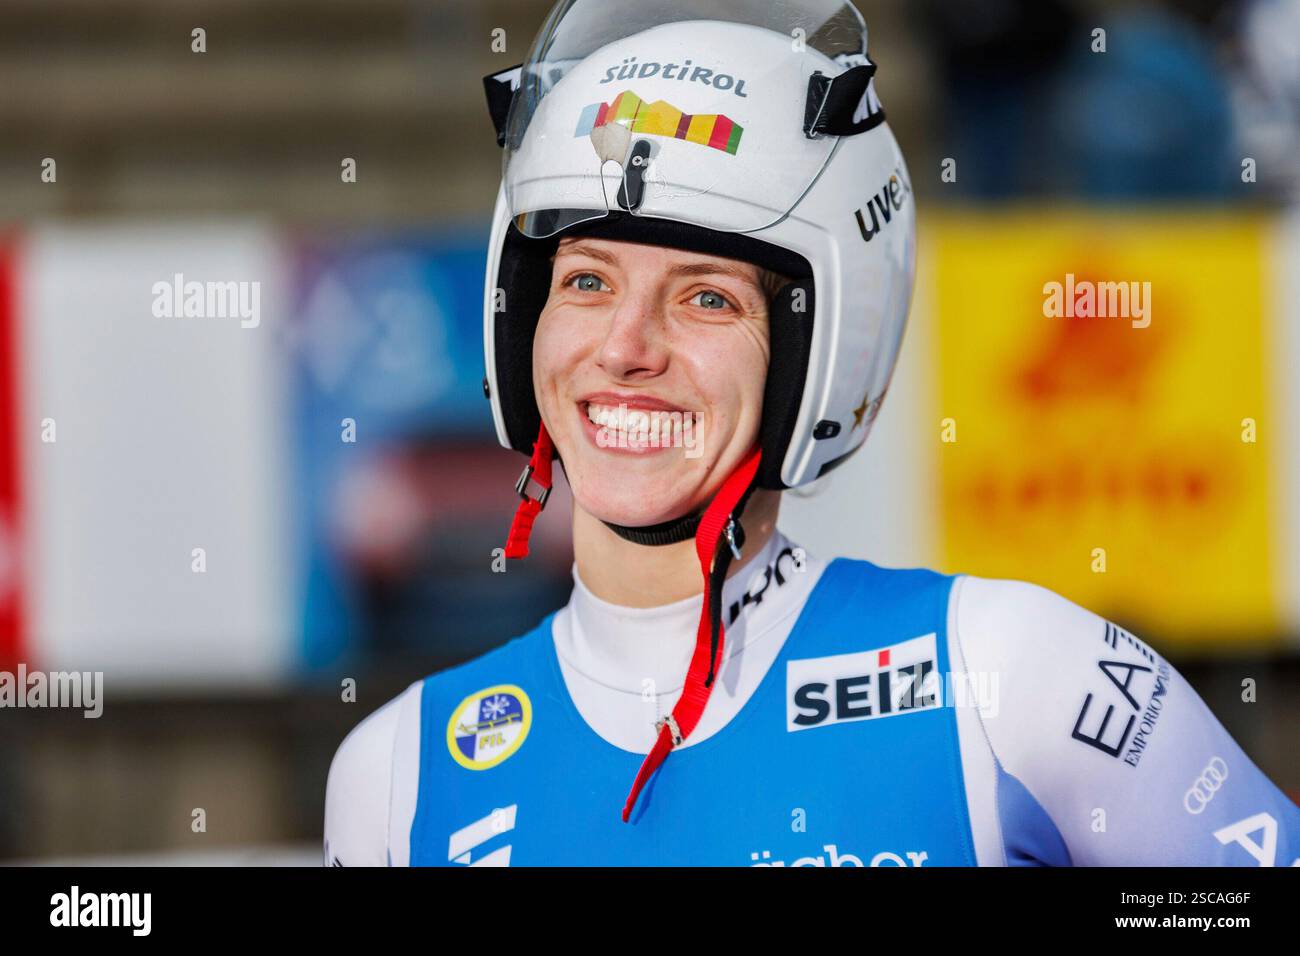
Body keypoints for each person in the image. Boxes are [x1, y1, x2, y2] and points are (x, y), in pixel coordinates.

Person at [324, 0, 1300, 866]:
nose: (624, 348)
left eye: (706, 298)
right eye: (586, 280)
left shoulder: (1019, 675)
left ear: (818, 354)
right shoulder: (396, 775)